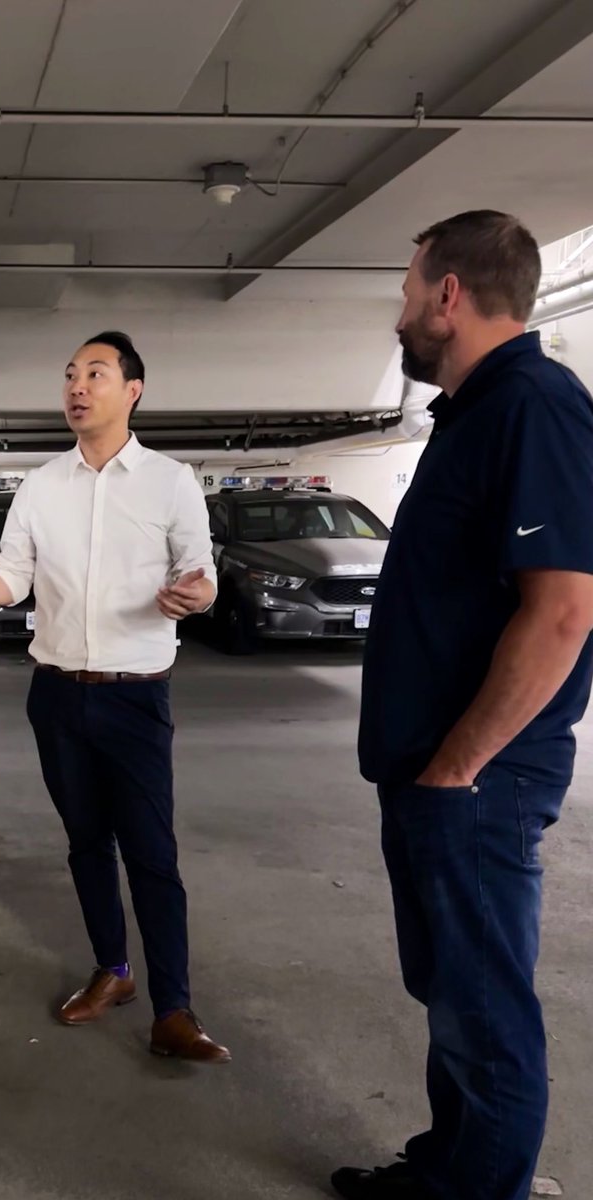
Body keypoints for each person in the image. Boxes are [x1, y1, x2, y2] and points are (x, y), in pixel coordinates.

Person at [334, 211, 593, 1200]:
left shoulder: (534, 406)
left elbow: (564, 610)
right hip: (438, 773)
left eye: (408, 291)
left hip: (475, 781)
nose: (401, 312)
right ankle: (449, 1170)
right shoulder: (479, 412)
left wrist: (459, 766)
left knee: (484, 1009)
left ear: (449, 294)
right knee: (454, 993)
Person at [0, 331, 230, 1063]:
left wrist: (196, 596)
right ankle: (113, 972)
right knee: (88, 844)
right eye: (69, 375)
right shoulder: (40, 485)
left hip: (135, 699)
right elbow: (14, 577)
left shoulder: (169, 480)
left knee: (153, 855)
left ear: (132, 390)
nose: (77, 387)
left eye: (96, 373)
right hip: (56, 696)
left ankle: (176, 1010)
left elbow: (202, 573)